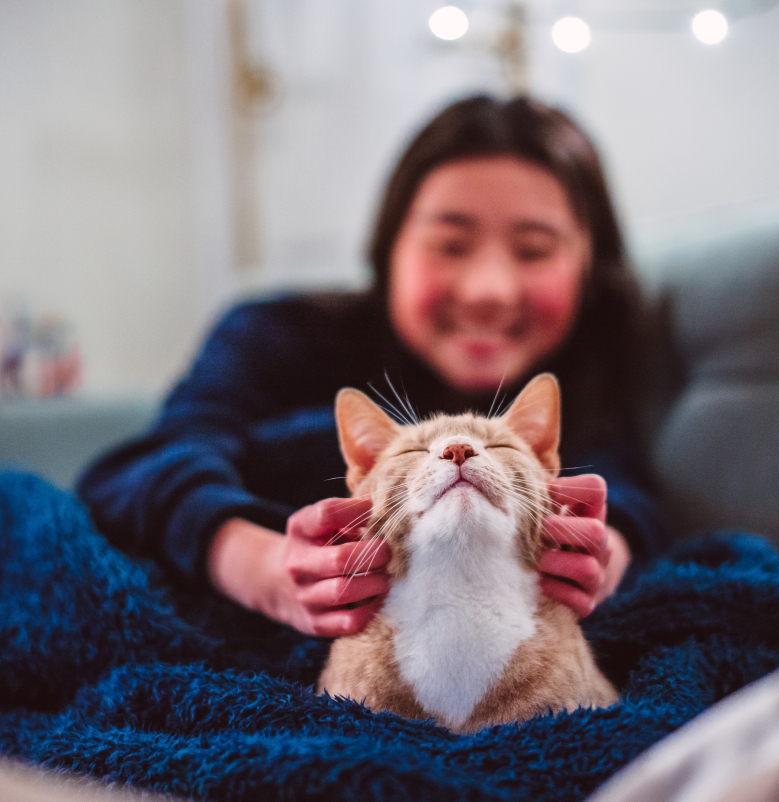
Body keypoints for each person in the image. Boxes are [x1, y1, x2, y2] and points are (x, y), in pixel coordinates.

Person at [77, 94, 669, 638]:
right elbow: (151, 463)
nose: (490, 288)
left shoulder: (592, 370)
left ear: (590, 268)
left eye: (534, 250)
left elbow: (628, 502)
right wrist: (266, 569)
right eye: (451, 245)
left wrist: (603, 555)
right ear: (390, 247)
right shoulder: (271, 332)